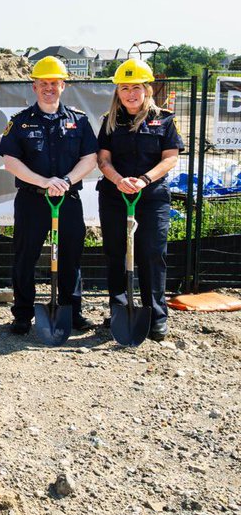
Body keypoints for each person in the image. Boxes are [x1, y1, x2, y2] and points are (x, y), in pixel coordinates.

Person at [0, 56, 99, 334]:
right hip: (32, 201)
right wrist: (45, 182)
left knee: (70, 257)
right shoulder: (20, 122)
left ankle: (72, 312)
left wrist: (65, 181)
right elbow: (11, 161)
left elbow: (90, 158)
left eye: (54, 83)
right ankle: (22, 314)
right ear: (34, 86)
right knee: (25, 258)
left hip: (68, 200)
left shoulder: (78, 120)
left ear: (63, 85)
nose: (49, 88)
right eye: (43, 83)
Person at [96, 59, 182, 341]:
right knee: (116, 255)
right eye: (124, 88)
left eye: (136, 87)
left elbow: (170, 158)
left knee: (152, 255)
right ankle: (119, 310)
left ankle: (156, 315)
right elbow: (103, 159)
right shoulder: (109, 122)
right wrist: (118, 179)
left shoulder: (165, 120)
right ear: (117, 92)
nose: (130, 93)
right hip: (114, 197)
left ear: (147, 89)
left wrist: (144, 180)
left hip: (152, 198)